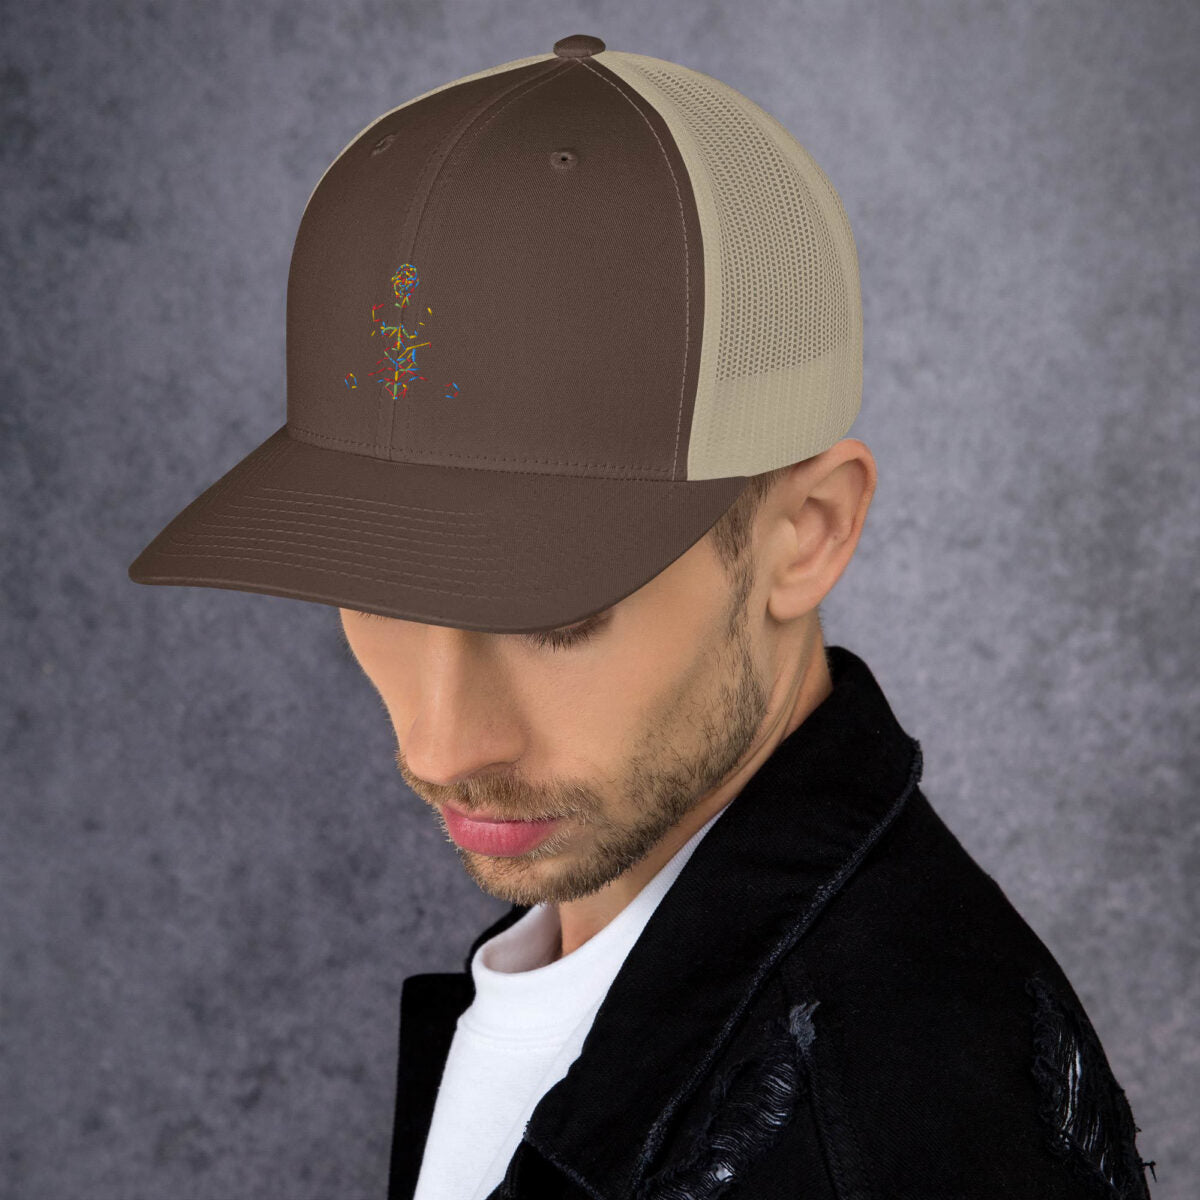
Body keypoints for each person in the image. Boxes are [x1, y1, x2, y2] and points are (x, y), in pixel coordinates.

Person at [127, 33, 1155, 1200]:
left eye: (554, 612)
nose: (440, 746)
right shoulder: (592, 966)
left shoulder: (887, 1123)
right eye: (381, 585)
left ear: (806, 531)